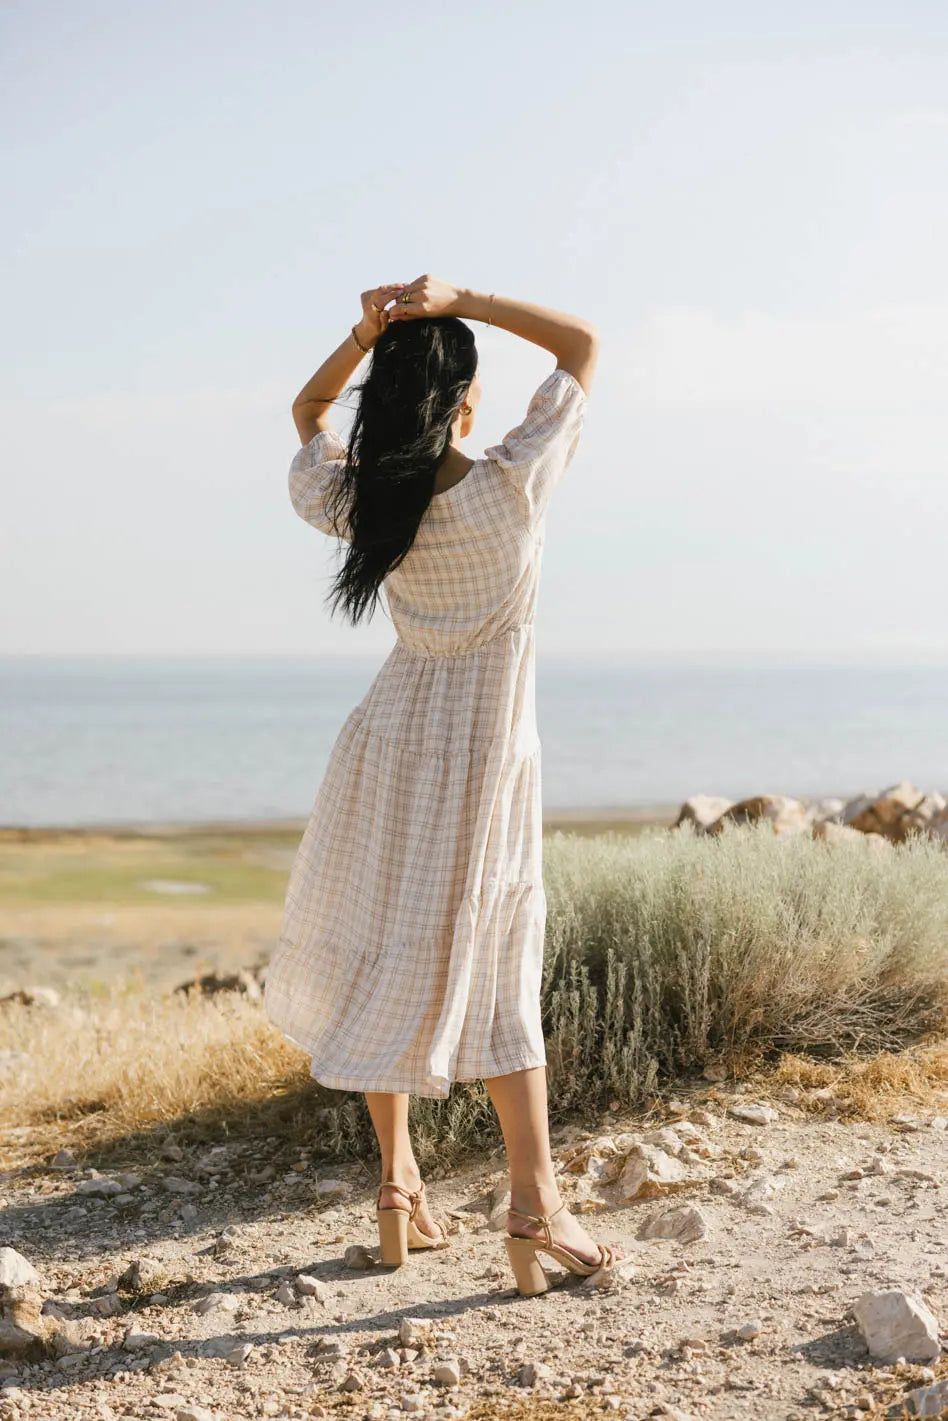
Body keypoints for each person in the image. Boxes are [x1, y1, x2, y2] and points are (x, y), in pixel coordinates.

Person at [265, 275, 621, 1295]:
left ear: (387, 404)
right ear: (465, 404)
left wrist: (364, 332)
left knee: (385, 950)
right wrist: (460, 296)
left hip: (389, 745)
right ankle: (534, 1205)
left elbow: (305, 414)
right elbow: (584, 344)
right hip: (485, 755)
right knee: (500, 966)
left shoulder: (356, 500)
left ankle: (396, 1183)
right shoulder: (512, 486)